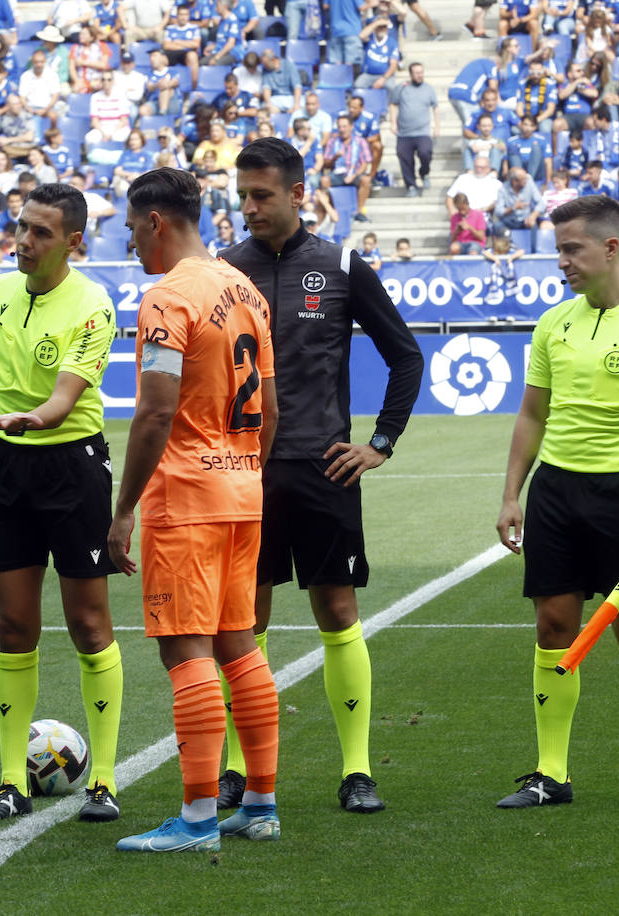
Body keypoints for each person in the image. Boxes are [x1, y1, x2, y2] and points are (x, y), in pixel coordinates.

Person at [220, 138, 423, 814]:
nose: (249, 207)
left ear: (298, 194)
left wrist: (380, 444)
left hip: (323, 467)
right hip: (245, 472)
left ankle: (358, 770)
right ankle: (240, 767)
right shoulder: (225, 270)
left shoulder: (339, 265)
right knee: (246, 619)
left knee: (337, 612)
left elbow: (405, 356)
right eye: (243, 195)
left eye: (262, 196)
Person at [494, 193, 619, 811]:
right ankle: (550, 773)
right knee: (553, 627)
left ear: (611, 248)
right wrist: (512, 495)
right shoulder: (554, 323)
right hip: (555, 491)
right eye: (559, 250)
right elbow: (532, 413)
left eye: (572, 249)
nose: (563, 262)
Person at [105, 167, 281, 853]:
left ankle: (199, 818)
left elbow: (154, 411)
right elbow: (270, 407)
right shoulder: (246, 291)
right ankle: (260, 804)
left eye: (129, 227)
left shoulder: (167, 297)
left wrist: (123, 512)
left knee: (188, 653)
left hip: (186, 497)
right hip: (243, 489)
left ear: (155, 221)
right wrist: (243, 471)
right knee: (240, 644)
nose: (130, 241)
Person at [0, 182, 125, 825]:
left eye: (40, 232)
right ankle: (8, 781)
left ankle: (102, 779)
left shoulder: (94, 305)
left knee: (88, 623)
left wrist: (30, 419)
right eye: (22, 227)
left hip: (72, 466)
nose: (24, 241)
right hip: (5, 467)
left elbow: (64, 401)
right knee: (14, 626)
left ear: (73, 241)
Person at [390, 61, 439, 198]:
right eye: (417, 73)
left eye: (421, 72)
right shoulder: (402, 88)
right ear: (411, 74)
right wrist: (393, 123)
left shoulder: (429, 89)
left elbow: (435, 107)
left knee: (426, 152)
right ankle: (411, 185)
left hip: (422, 131)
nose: (420, 75)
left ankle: (424, 173)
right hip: (404, 133)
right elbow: (393, 104)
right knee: (404, 158)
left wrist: (437, 126)